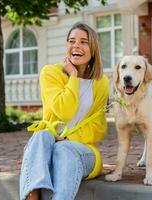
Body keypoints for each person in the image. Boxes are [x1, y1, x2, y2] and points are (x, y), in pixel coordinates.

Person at [19, 22, 109, 200]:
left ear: (93, 49)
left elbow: (99, 127)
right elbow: (63, 111)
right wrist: (73, 76)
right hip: (48, 146)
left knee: (64, 150)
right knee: (41, 136)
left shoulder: (101, 82)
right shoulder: (50, 73)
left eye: (84, 41)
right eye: (71, 41)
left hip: (83, 152)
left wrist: (69, 139)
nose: (76, 45)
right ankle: (32, 195)